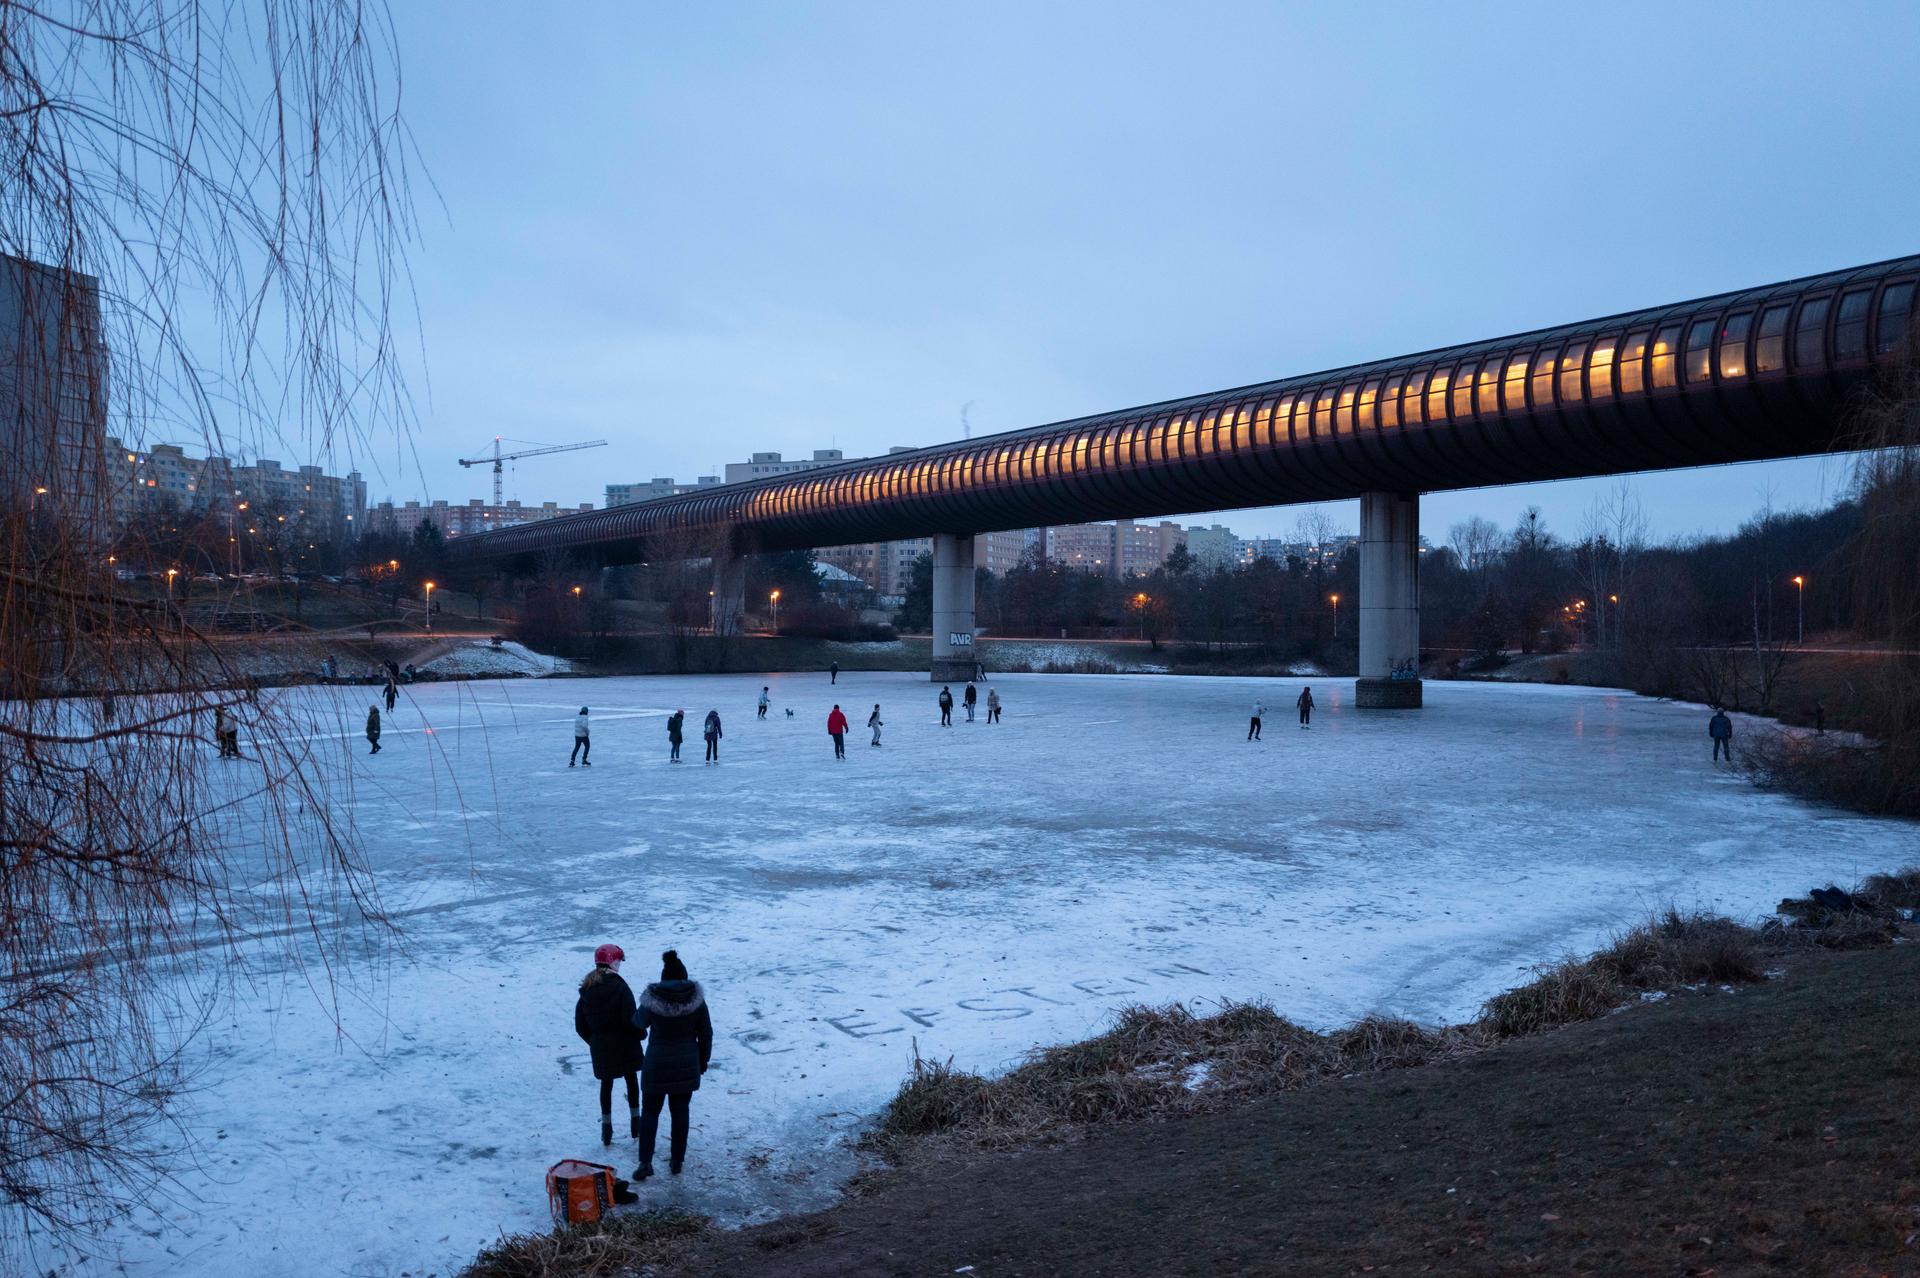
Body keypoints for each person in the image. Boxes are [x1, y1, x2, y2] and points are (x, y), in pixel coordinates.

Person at [629, 949, 713, 1179]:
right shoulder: (697, 1000)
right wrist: (702, 1061)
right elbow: (706, 1033)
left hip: (656, 1065)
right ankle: (677, 1161)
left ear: (664, 977)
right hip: (686, 1064)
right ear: (684, 977)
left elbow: (637, 1023)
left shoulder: (653, 998)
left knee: (650, 1113)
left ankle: (645, 1162)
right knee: (680, 1112)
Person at [574, 943, 642, 1148]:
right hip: (625, 1044)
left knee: (606, 1084)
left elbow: (580, 1025)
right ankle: (636, 1124)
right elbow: (631, 1019)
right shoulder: (621, 987)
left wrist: (595, 1041)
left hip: (601, 1047)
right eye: (619, 961)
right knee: (632, 1081)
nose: (620, 965)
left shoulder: (586, 990)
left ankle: (607, 1129)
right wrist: (641, 1034)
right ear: (613, 961)